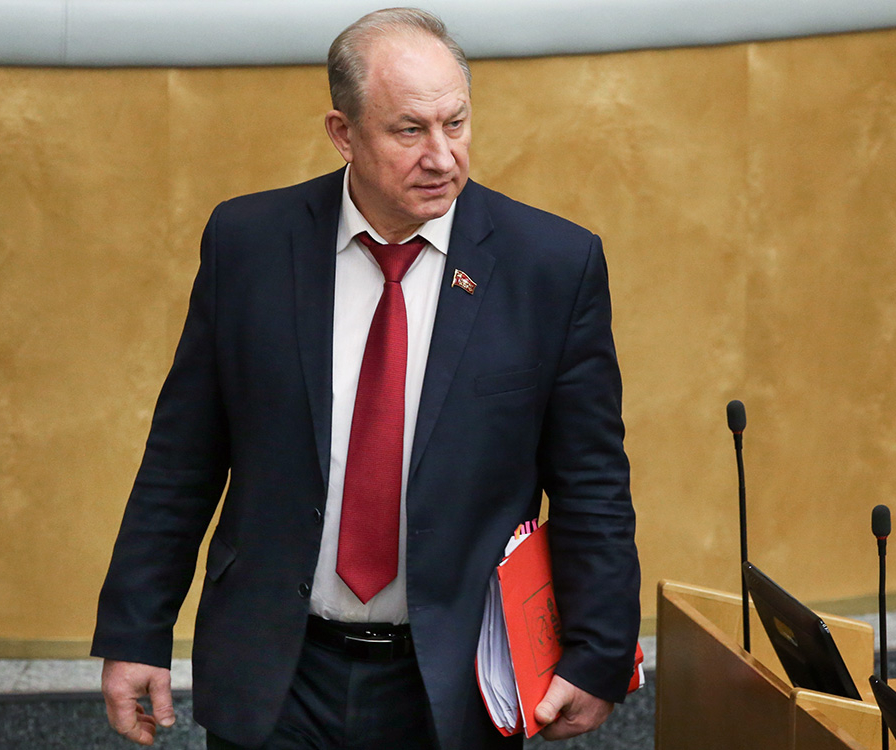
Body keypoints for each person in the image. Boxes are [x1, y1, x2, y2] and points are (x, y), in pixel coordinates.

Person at [92, 8, 639, 749]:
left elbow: (592, 481)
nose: (442, 156)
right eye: (409, 130)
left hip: (454, 680)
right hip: (278, 671)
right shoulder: (249, 244)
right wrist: (136, 630)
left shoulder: (551, 265)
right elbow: (181, 459)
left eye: (456, 123)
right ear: (343, 133)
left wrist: (599, 652)